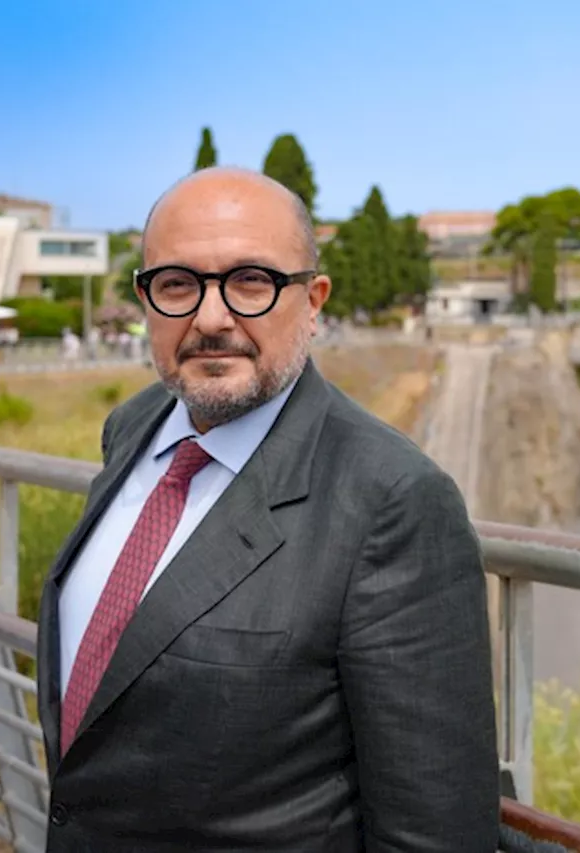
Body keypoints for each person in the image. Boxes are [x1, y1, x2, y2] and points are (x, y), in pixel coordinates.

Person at [35, 167, 499, 852]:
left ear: (313, 301)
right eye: (177, 284)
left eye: (251, 280)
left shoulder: (390, 502)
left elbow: (435, 829)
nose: (211, 317)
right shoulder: (132, 428)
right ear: (145, 299)